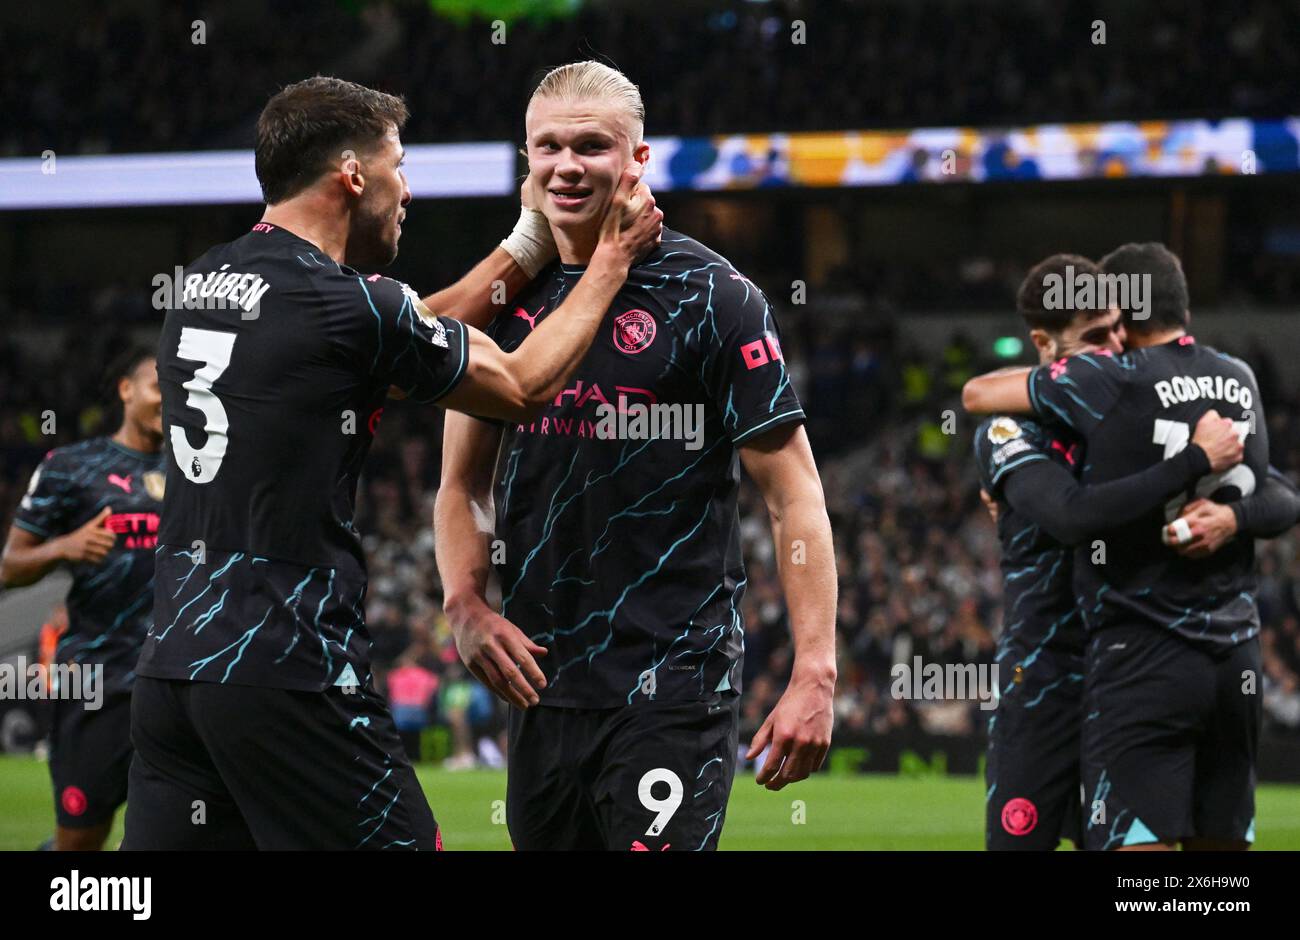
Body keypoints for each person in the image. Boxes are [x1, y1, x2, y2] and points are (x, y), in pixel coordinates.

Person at [122, 76, 662, 851]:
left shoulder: (207, 281)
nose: (406, 189)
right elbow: (517, 385)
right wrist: (609, 262)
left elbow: (401, 331)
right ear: (353, 174)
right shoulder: (348, 304)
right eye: (398, 165)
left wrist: (526, 246)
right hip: (286, 667)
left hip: (174, 670)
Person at [435, 61, 836, 851]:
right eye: (548, 147)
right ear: (527, 162)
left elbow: (795, 498)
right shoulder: (506, 299)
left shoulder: (714, 297)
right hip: (542, 687)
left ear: (638, 159)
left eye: (593, 145)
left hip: (672, 685)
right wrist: (466, 604)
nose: (568, 165)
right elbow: (461, 483)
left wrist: (815, 670)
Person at [963, 242, 1298, 849]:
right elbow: (1068, 515)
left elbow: (1276, 491)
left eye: (1119, 330)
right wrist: (1195, 461)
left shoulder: (1121, 412)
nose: (1115, 348)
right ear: (1046, 347)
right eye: (1096, 336)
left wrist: (1231, 515)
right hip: (1046, 677)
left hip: (1127, 670)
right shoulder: (1016, 429)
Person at [0, 347, 164, 850]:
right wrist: (65, 547)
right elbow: (10, 567)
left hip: (177, 686)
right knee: (80, 842)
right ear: (126, 390)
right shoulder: (71, 467)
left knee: (179, 834)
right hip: (97, 681)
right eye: (160, 386)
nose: (172, 397)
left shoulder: (205, 473)